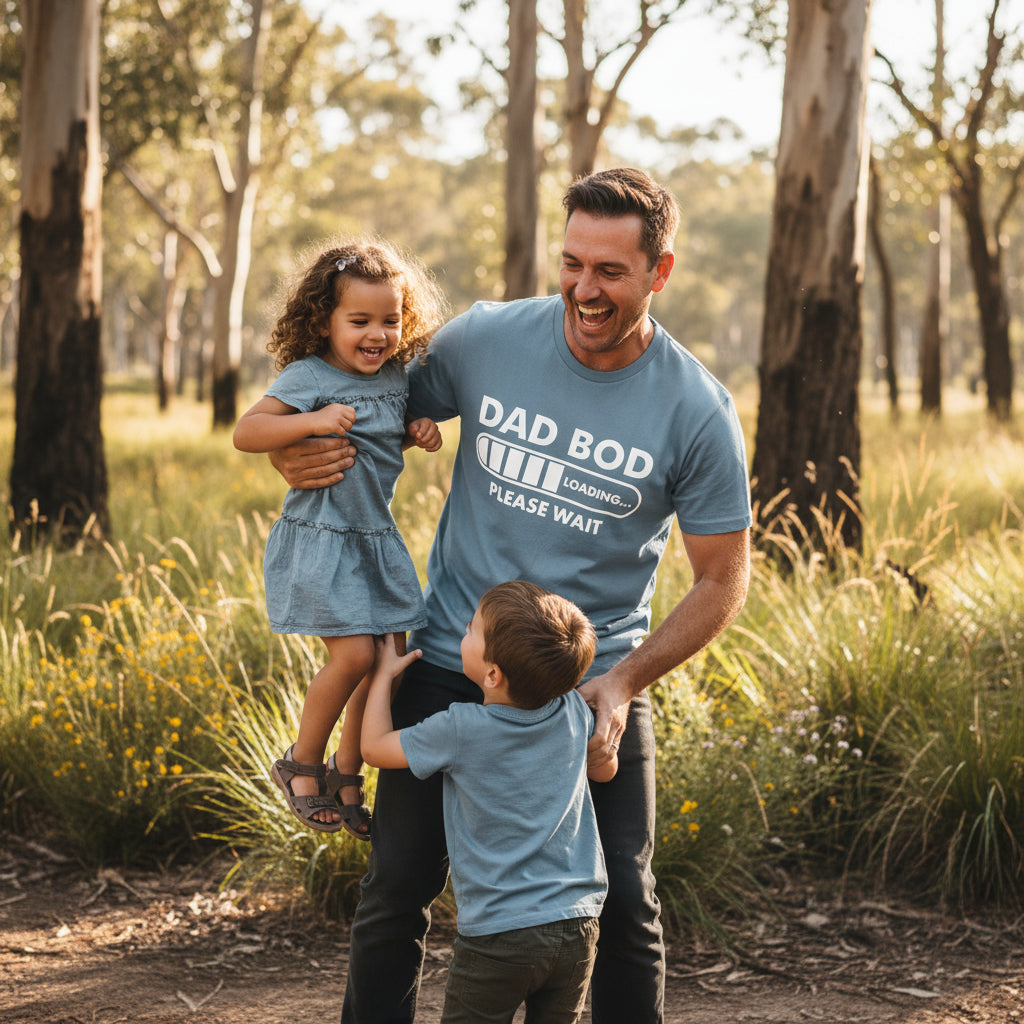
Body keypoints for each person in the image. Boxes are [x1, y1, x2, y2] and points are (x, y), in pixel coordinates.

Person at [271, 167, 753, 1023]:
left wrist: (626, 682)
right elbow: (357, 397)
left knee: (625, 902)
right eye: (572, 262)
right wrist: (292, 449)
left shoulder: (696, 410)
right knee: (396, 890)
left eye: (610, 270)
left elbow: (723, 577)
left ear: (660, 271)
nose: (584, 288)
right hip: (449, 656)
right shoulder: (488, 339)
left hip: (588, 683)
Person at [234, 236, 447, 838]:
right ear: (324, 321)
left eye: (390, 320)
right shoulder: (309, 376)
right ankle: (300, 761)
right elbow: (247, 433)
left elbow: (383, 435)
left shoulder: (397, 377)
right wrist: (312, 421)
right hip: (323, 539)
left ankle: (346, 772)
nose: (376, 334)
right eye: (359, 320)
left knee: (390, 662)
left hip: (375, 538)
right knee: (354, 656)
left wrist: (417, 430)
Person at [361, 581, 615, 1024]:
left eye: (471, 630)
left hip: (500, 934)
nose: (464, 630)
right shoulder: (572, 710)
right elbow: (604, 770)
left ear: (493, 674)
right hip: (578, 923)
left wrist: (383, 676)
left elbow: (375, 748)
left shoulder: (460, 728)